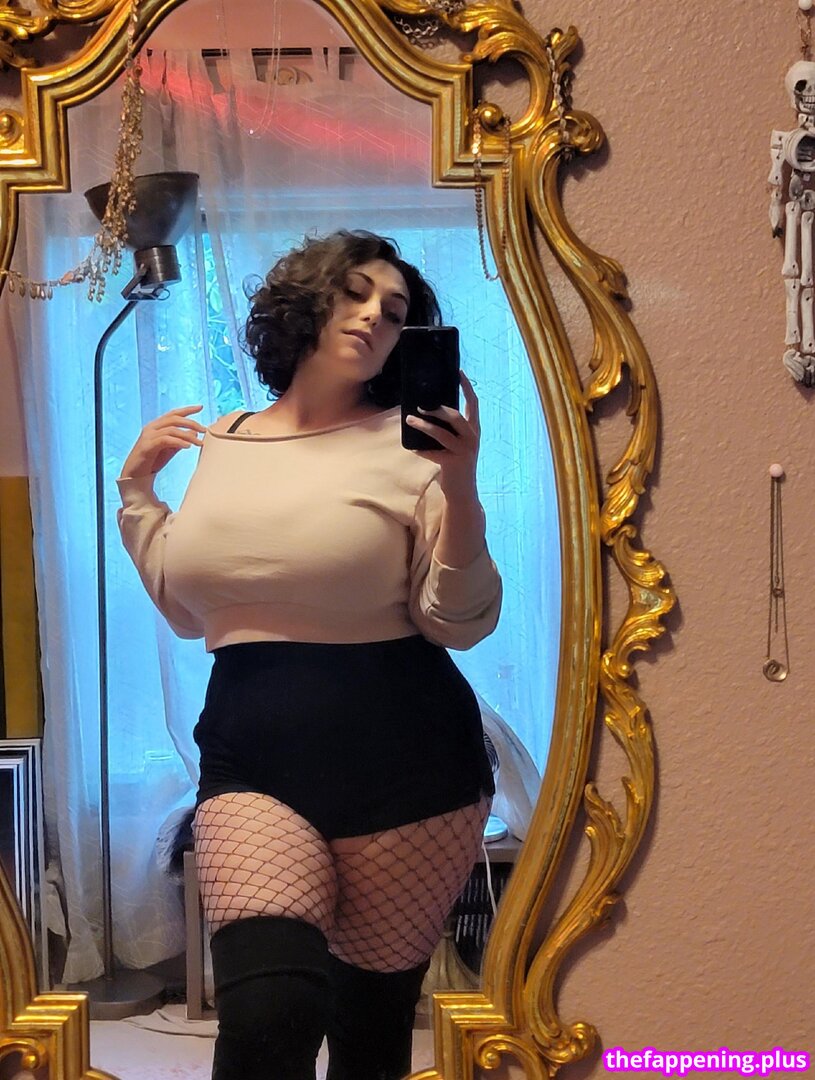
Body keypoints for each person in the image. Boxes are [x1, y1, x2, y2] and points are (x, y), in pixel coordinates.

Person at [117, 229, 502, 1080]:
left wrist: (460, 487)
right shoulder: (225, 438)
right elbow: (188, 608)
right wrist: (136, 492)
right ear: (303, 304)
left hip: (411, 767)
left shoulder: (414, 447)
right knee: (269, 1011)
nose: (373, 317)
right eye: (353, 294)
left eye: (394, 311)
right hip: (250, 758)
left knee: (370, 1035)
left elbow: (458, 621)